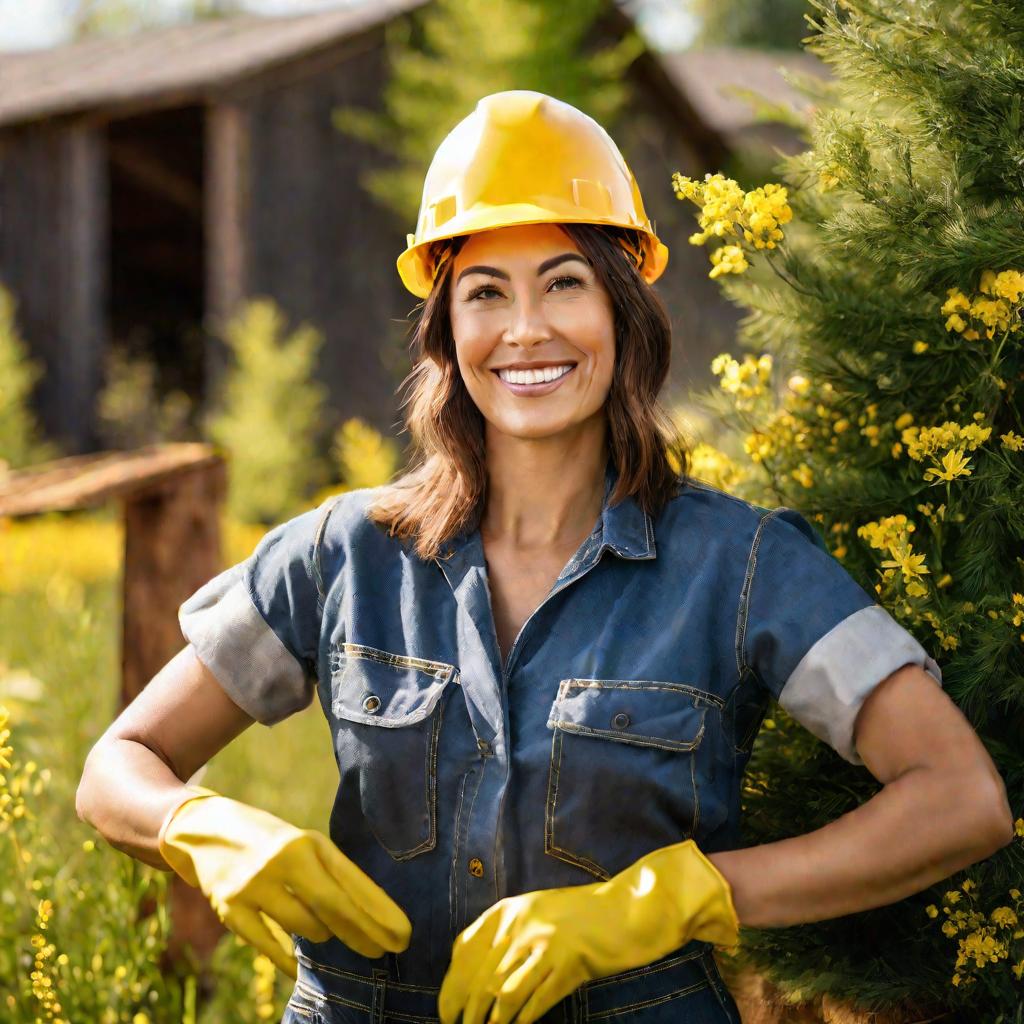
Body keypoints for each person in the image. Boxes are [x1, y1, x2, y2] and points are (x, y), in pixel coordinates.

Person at [76, 91, 1015, 1024]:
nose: (525, 329)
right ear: (448, 328)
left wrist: (675, 899)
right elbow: (120, 764)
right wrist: (203, 830)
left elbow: (961, 799)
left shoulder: (743, 567)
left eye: (564, 282)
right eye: (486, 292)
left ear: (623, 309)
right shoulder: (341, 556)